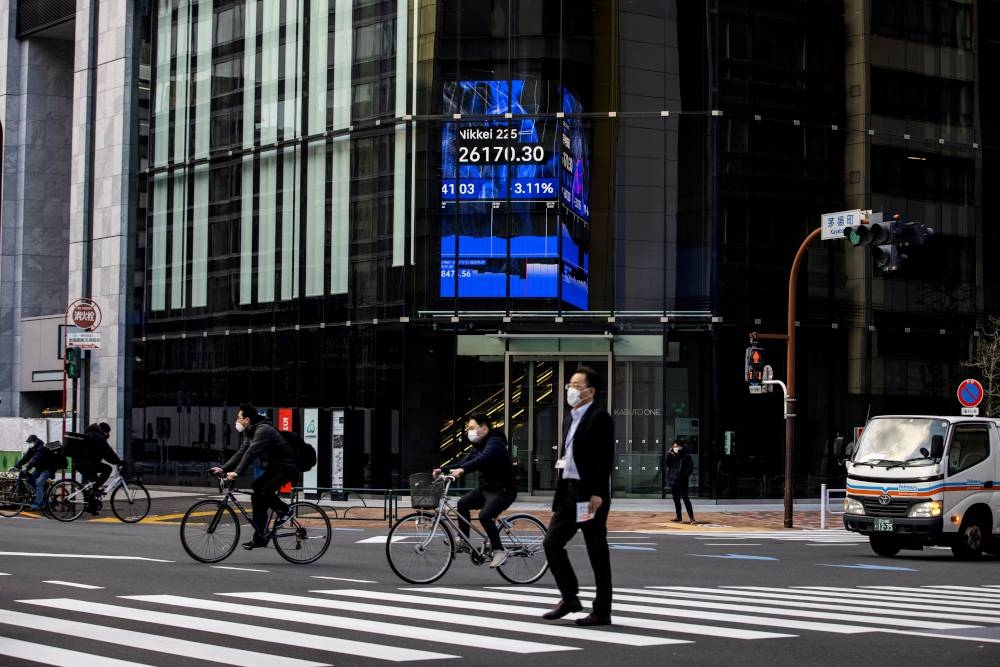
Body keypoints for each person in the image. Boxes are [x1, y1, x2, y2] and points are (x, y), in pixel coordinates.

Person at [542, 366, 615, 627]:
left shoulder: (600, 418)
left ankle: (602, 611)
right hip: (568, 493)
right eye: (570, 385)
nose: (571, 390)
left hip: (589, 496)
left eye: (576, 385)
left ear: (590, 391)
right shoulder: (568, 418)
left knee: (597, 552)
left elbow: (604, 459)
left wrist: (597, 493)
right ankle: (570, 598)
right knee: (551, 543)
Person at [434, 412, 516, 568]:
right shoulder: (477, 446)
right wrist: (443, 470)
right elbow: (463, 463)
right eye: (468, 428)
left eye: (472, 428)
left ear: (484, 429)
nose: (469, 432)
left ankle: (499, 550)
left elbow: (481, 460)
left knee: (485, 515)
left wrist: (463, 470)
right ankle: (463, 539)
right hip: (486, 489)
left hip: (503, 491)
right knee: (462, 503)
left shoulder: (495, 443)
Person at [210, 404, 297, 550]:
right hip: (274, 468)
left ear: (247, 420)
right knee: (257, 493)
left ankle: (285, 511)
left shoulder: (263, 430)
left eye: (239, 417)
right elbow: (242, 452)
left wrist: (237, 473)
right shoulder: (251, 432)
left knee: (263, 490)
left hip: (285, 467)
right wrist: (223, 469)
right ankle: (260, 538)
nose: (237, 420)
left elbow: (252, 452)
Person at [75, 422, 124, 515]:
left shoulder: (89, 434)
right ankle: (93, 492)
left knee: (93, 484)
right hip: (87, 464)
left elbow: (104, 454)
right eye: (107, 433)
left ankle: (91, 507)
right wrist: (119, 462)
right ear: (104, 431)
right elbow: (108, 452)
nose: (108, 435)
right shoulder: (98, 437)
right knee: (107, 469)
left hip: (80, 463)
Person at [666, 439, 695, 524]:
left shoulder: (686, 456)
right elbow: (667, 464)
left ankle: (691, 518)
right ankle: (678, 517)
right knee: (676, 500)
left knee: (686, 499)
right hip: (674, 482)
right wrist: (669, 454)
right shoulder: (672, 455)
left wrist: (683, 477)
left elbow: (690, 468)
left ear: (681, 446)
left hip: (682, 482)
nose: (675, 448)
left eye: (676, 446)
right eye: (674, 446)